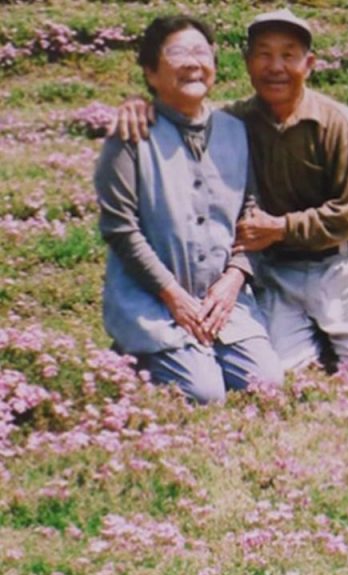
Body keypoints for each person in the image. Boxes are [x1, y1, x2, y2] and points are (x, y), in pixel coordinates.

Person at [112, 9, 348, 383]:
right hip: (276, 270)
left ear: (309, 64)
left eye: (288, 55)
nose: (275, 67)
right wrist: (143, 105)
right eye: (264, 54)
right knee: (275, 375)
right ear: (248, 63)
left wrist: (281, 227)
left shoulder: (337, 121)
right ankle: (324, 334)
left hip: (343, 265)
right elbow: (184, 115)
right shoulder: (232, 123)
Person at [95, 15, 283, 404]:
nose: (193, 62)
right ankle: (134, 354)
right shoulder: (129, 134)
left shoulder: (235, 128)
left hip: (220, 300)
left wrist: (235, 277)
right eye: (177, 53)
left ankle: (203, 348)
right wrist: (173, 295)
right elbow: (121, 229)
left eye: (201, 51)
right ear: (150, 71)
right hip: (153, 299)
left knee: (265, 383)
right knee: (205, 393)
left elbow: (251, 210)